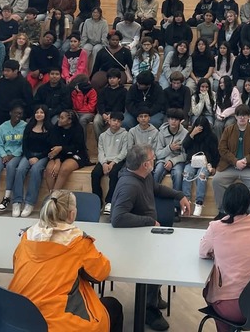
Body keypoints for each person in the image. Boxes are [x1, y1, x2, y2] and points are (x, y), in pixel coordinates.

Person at [10, 190, 123, 332]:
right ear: (72, 214)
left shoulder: (27, 236)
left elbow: (16, 266)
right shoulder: (78, 242)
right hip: (60, 324)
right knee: (113, 306)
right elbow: (100, 273)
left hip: (20, 318)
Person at [111, 144, 191, 331]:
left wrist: (179, 195)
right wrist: (148, 221)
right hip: (133, 241)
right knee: (155, 262)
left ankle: (152, 295)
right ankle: (148, 309)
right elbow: (117, 218)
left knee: (161, 255)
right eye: (153, 159)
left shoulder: (143, 176)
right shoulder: (129, 185)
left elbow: (156, 188)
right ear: (145, 165)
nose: (155, 161)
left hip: (147, 235)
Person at [199, 182, 250, 332]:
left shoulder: (216, 227)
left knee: (208, 291)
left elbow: (203, 251)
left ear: (225, 203)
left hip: (233, 308)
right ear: (248, 202)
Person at [212, 105, 250, 217]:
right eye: (240, 115)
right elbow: (222, 149)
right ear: (235, 116)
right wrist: (235, 161)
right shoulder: (228, 130)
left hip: (249, 167)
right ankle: (223, 211)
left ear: (249, 117)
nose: (242, 118)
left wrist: (246, 160)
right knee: (217, 180)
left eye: (245, 115)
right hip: (229, 166)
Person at [14, 104, 53, 218]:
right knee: (20, 169)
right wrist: (30, 156)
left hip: (43, 156)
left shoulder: (50, 128)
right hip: (29, 155)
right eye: (37, 112)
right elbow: (25, 145)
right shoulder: (29, 126)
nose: (39, 114)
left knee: (36, 170)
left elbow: (49, 147)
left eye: (41, 112)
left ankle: (29, 203)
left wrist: (38, 158)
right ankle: (17, 201)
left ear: (45, 114)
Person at [91, 112, 131, 215]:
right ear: (109, 121)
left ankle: (109, 202)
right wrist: (104, 163)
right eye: (114, 120)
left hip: (118, 160)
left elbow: (124, 152)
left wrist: (113, 162)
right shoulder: (102, 136)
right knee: (95, 174)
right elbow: (101, 151)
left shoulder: (125, 134)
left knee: (114, 174)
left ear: (121, 123)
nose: (116, 123)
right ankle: (97, 201)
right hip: (105, 160)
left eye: (118, 121)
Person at [0, 104, 26, 213]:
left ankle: (6, 197)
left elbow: (23, 145)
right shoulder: (3, 126)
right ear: (10, 113)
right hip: (3, 154)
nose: (18, 115)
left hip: (16, 154)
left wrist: (12, 155)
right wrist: (4, 155)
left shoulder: (25, 126)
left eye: (20, 114)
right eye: (16, 113)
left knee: (10, 166)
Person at [182, 116, 220, 216]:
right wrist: (192, 134)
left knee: (201, 176)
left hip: (206, 162)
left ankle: (199, 203)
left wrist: (214, 166)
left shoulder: (212, 137)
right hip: (192, 161)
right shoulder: (190, 134)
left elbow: (216, 153)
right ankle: (186, 201)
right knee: (186, 174)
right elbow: (185, 146)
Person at [45, 109, 90, 192]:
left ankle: (53, 197)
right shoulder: (56, 127)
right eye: (59, 117)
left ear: (69, 121)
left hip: (75, 153)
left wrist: (62, 148)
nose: (59, 119)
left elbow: (77, 147)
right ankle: (53, 198)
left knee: (64, 169)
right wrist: (58, 161)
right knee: (49, 169)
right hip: (58, 155)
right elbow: (52, 145)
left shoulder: (78, 129)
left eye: (62, 118)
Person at [153, 108, 189, 193]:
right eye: (171, 119)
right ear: (168, 120)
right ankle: (152, 198)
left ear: (180, 121)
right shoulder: (161, 132)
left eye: (176, 119)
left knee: (177, 174)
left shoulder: (185, 134)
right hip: (163, 159)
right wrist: (170, 148)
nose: (173, 122)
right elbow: (158, 153)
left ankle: (177, 204)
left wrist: (172, 161)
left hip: (178, 161)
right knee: (157, 171)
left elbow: (185, 155)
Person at [0, 59, 32, 127]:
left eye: (8, 71)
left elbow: (28, 101)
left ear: (16, 71)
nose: (5, 73)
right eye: (4, 70)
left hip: (15, 114)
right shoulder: (1, 82)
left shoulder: (24, 83)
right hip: (0, 111)